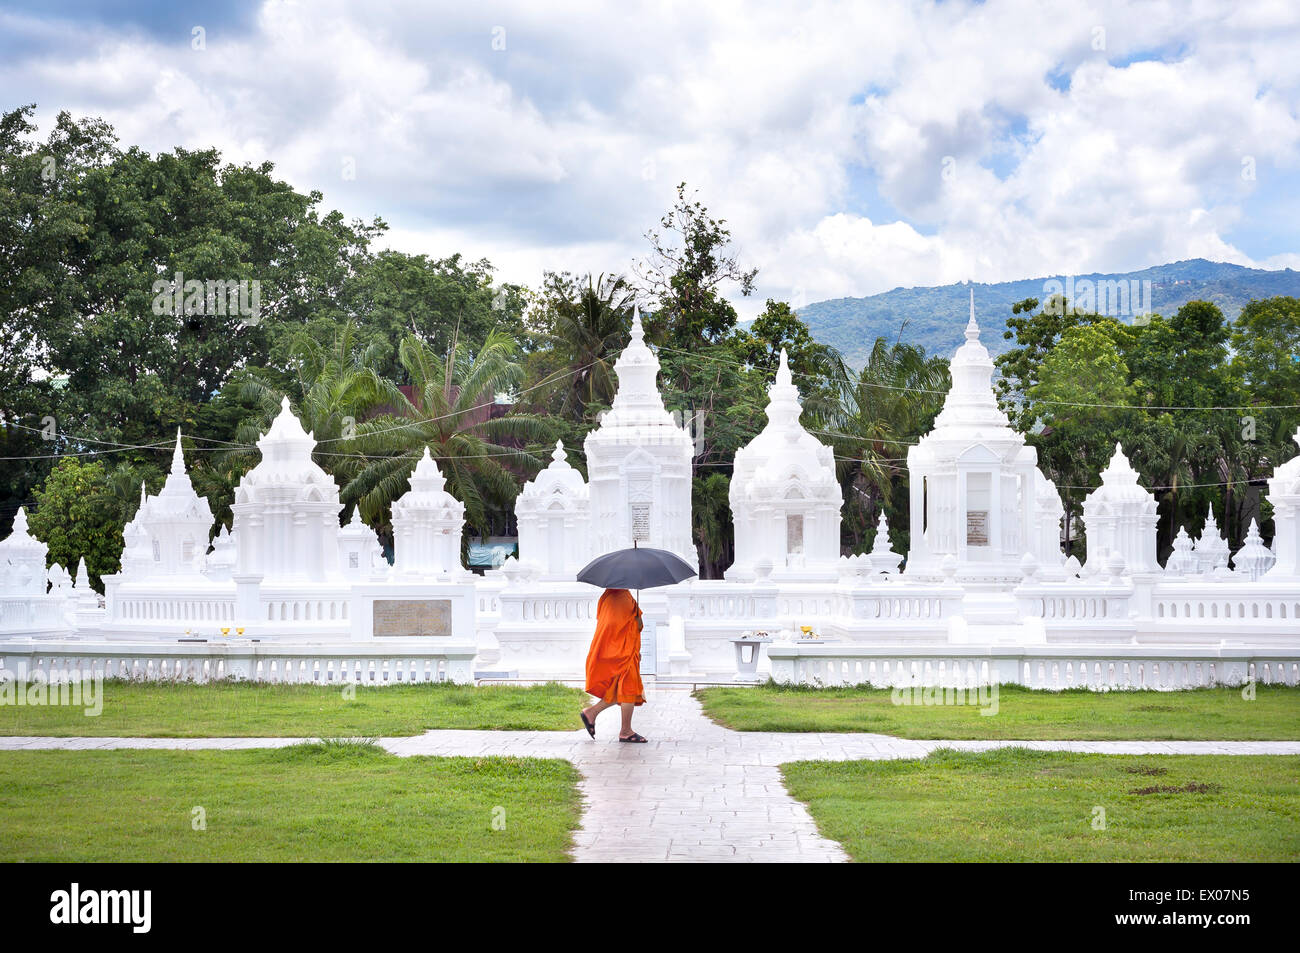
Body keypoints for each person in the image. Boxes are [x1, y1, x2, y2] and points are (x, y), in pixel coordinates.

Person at [580, 587, 647, 742]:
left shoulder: (613, 595)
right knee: (628, 689)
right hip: (621, 653)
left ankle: (591, 713)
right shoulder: (619, 597)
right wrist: (635, 621)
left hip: (625, 651)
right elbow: (613, 626)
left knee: (620, 689)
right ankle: (626, 731)